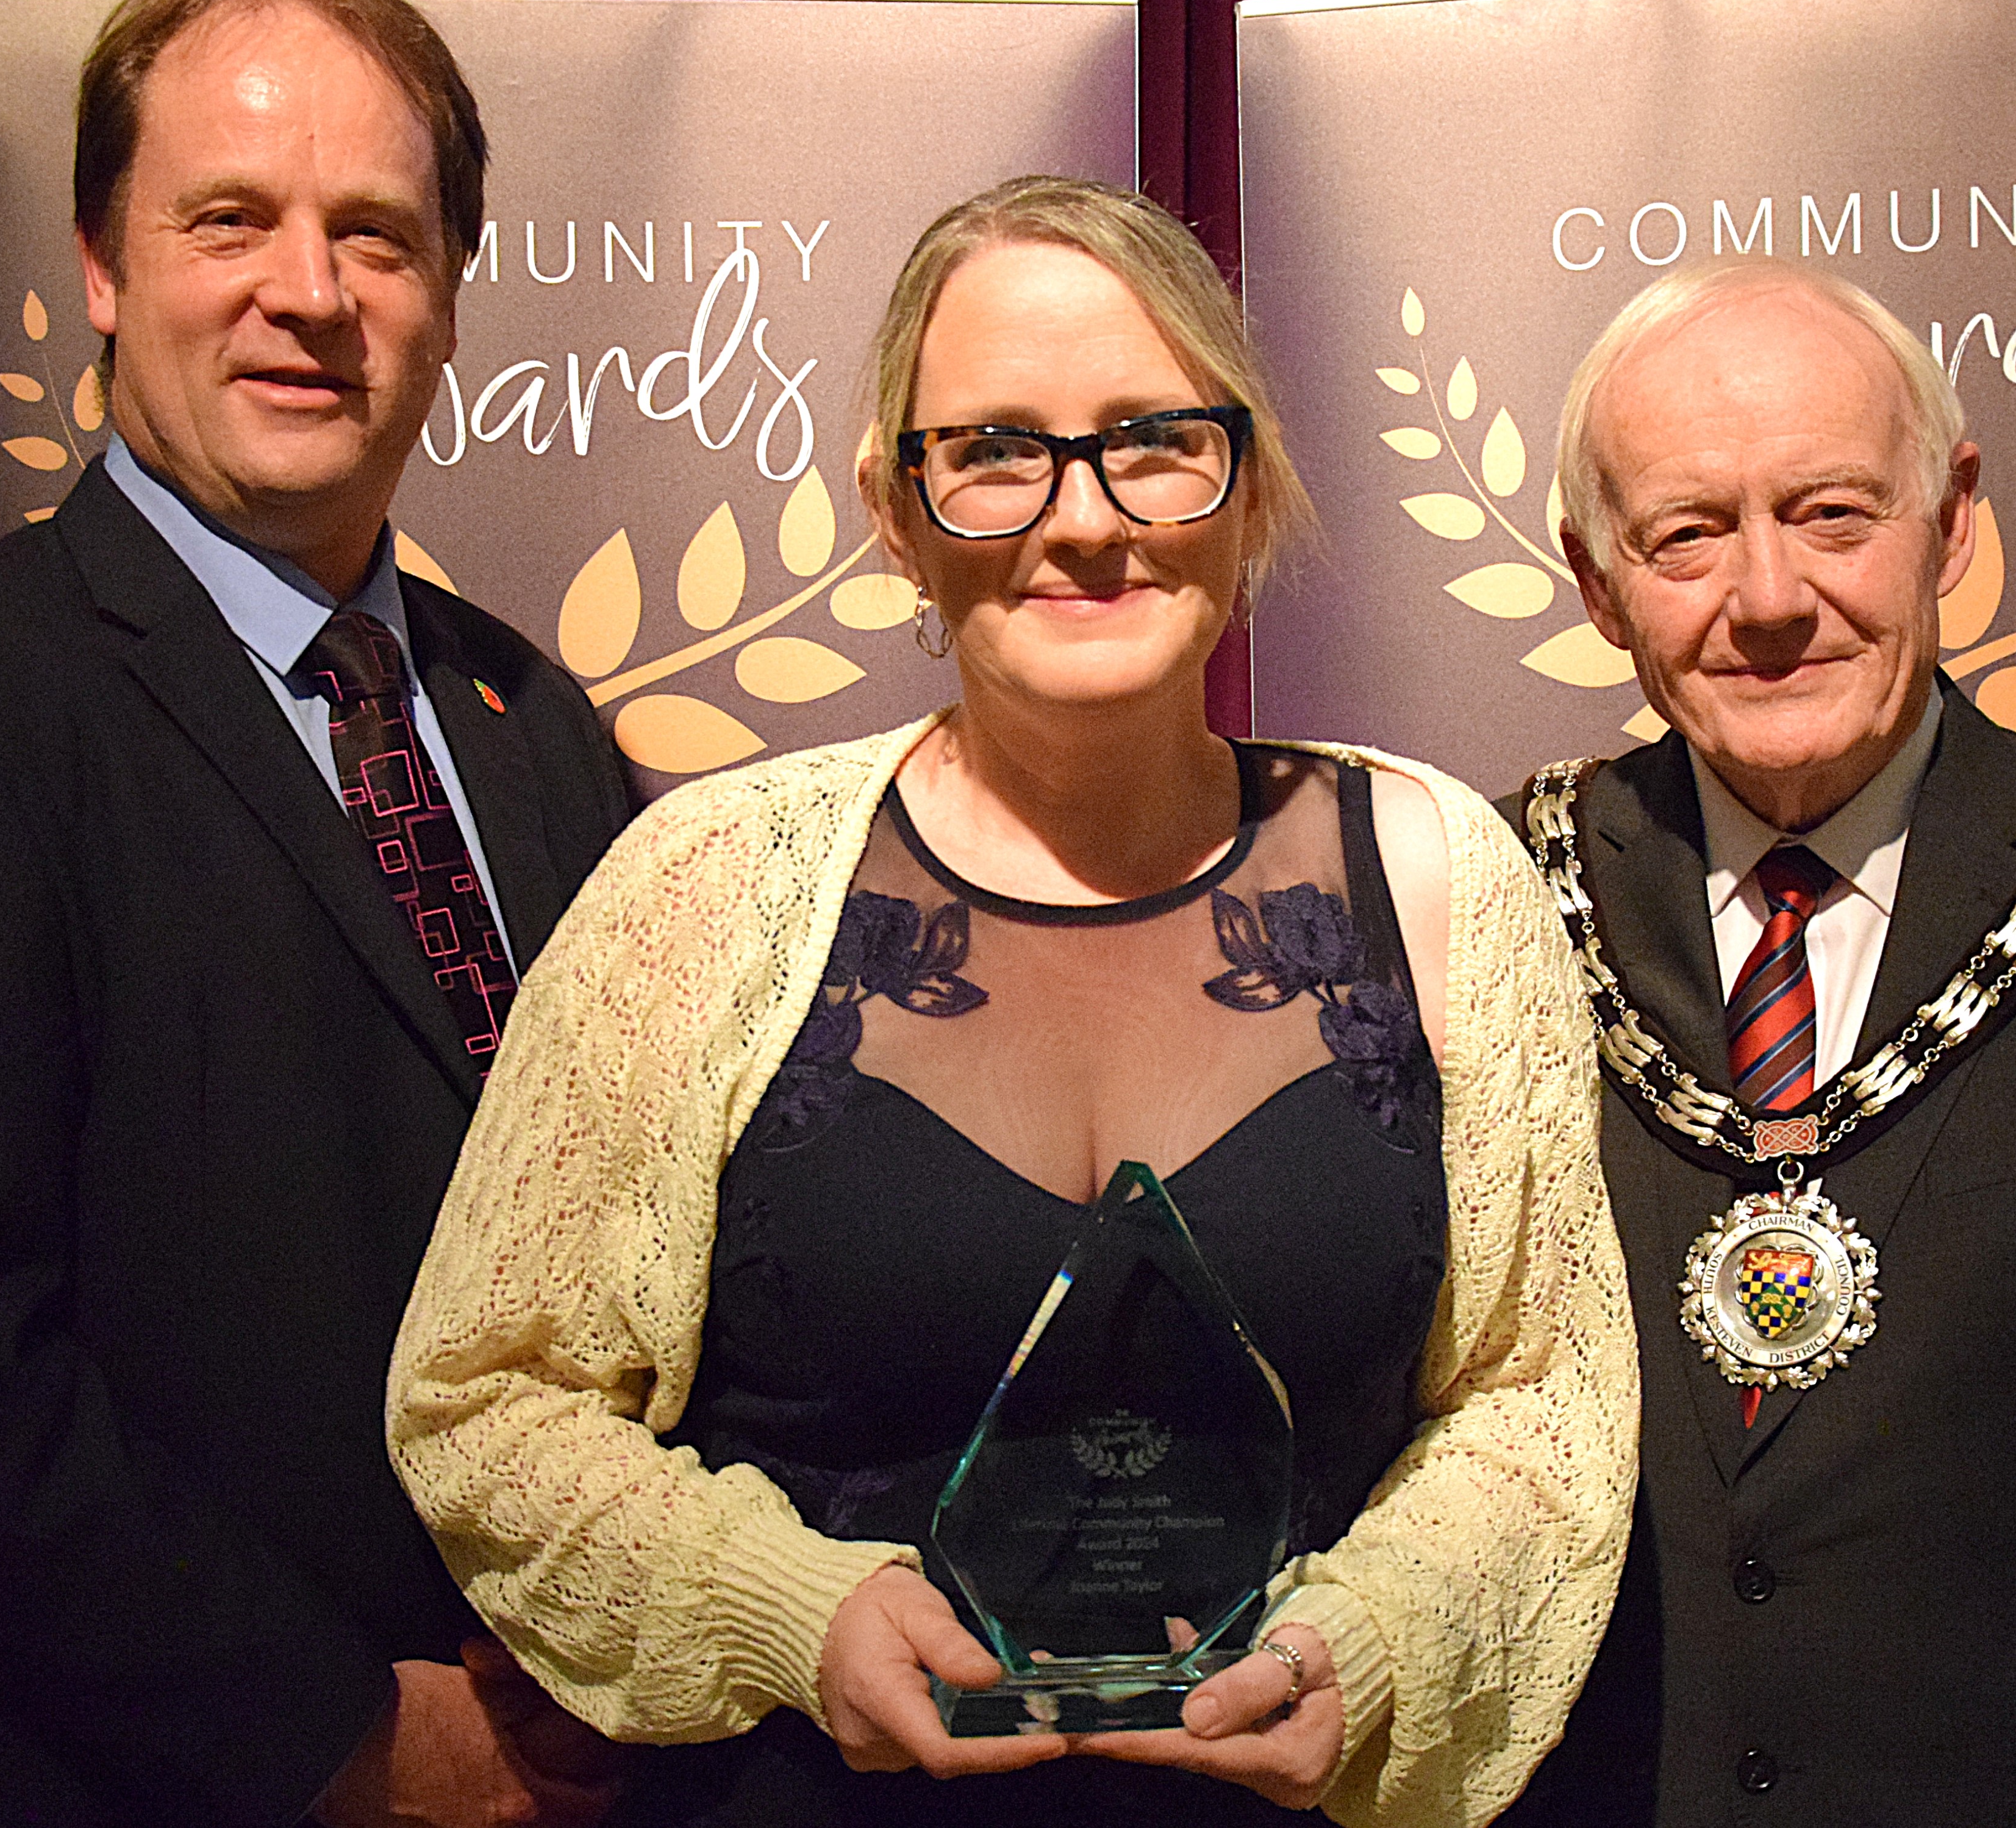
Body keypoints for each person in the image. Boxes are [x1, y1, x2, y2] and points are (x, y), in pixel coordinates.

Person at [387, 176, 1635, 1828]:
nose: (1082, 517)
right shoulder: (701, 891)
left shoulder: (1442, 879)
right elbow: (487, 1397)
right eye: (992, 450)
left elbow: (1538, 1396)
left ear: (1242, 480)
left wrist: (1379, 1644)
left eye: (1150, 438)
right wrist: (785, 1608)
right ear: (893, 509)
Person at [0, 0, 635, 1827]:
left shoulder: (536, 721)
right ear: (102, 268)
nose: (309, 291)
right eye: (231, 220)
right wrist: (340, 1740)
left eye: (377, 234)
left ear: (444, 300)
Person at [1496, 258, 2016, 1827]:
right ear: (1595, 576)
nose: (1769, 599)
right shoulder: (1488, 906)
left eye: (1833, 512)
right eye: (1688, 534)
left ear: (1953, 517)